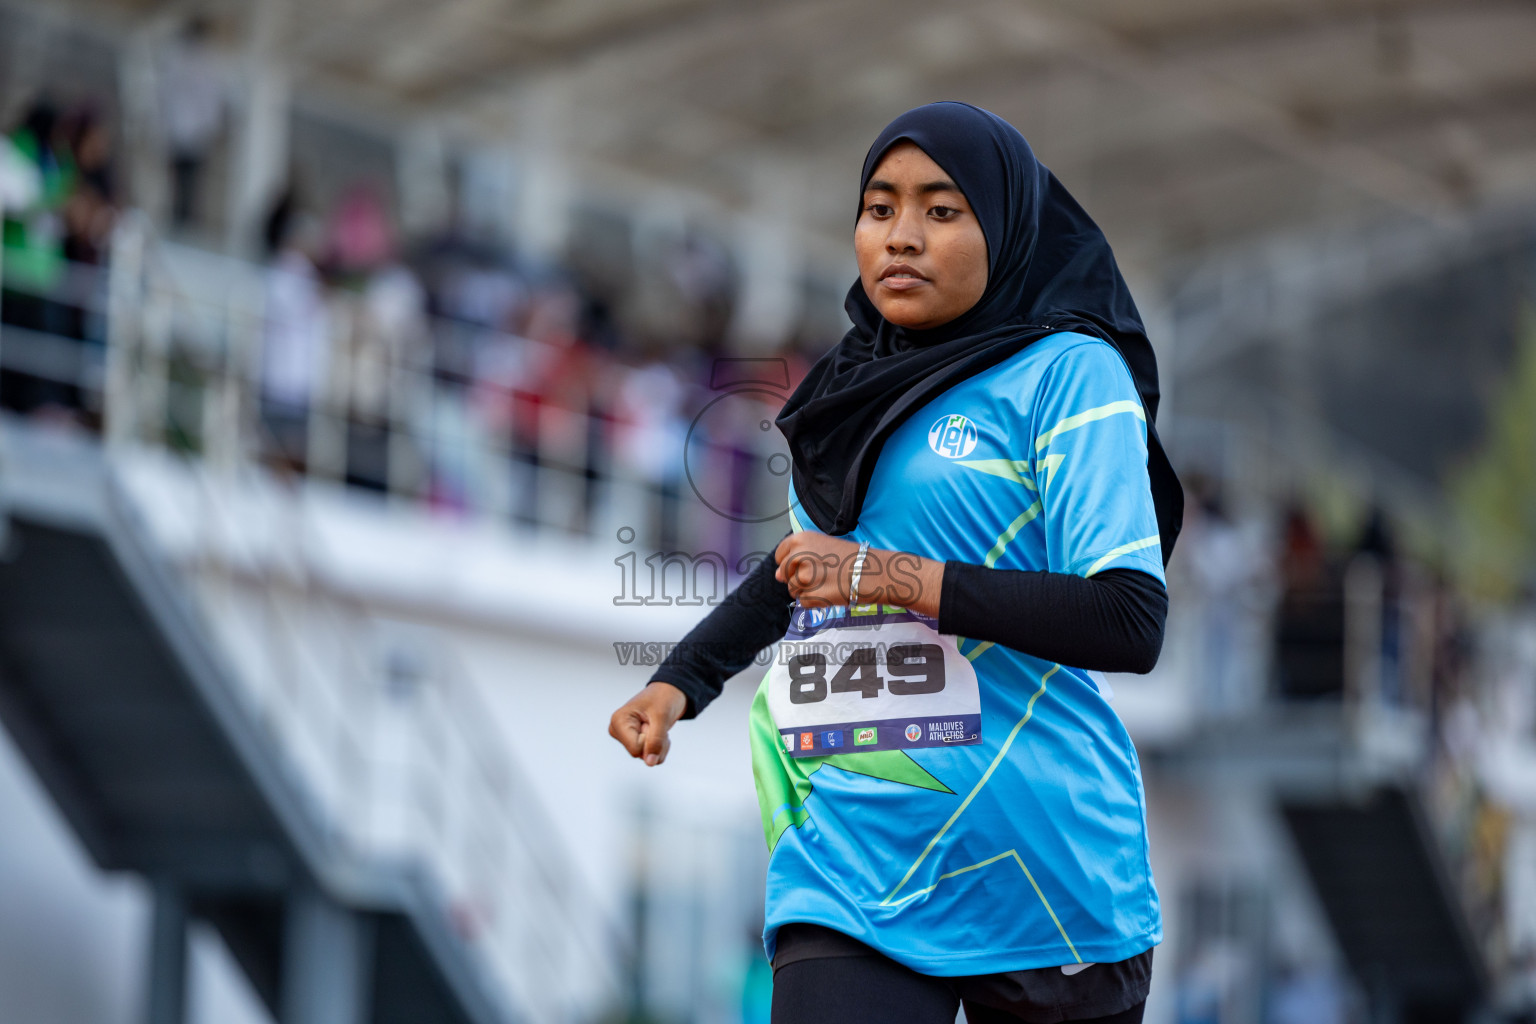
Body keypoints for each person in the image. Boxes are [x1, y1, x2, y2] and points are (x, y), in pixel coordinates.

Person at [609, 102, 1183, 1024]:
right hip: (853, 862)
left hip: (1043, 878)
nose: (901, 237)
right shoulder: (845, 386)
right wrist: (679, 682)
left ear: (1007, 226)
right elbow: (804, 567)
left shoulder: (1070, 377)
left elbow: (1127, 619)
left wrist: (888, 580)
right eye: (879, 209)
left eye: (942, 211)